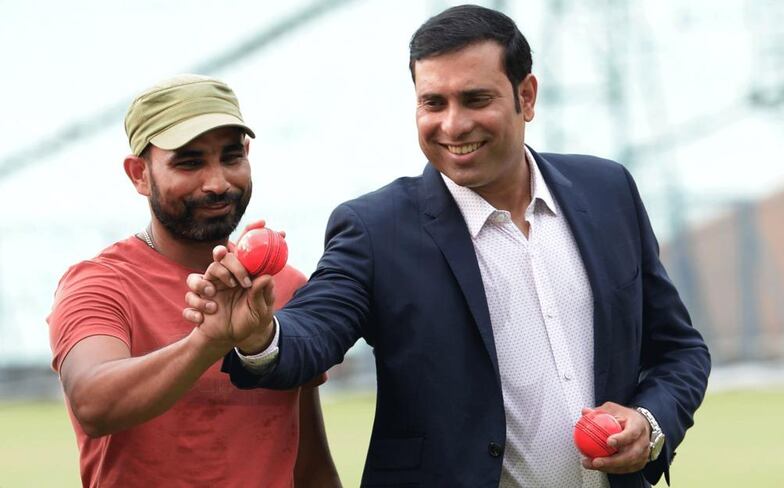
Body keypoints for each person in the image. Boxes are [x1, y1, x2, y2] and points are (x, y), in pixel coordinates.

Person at [184, 5, 711, 488]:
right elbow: (314, 331)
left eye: (476, 99)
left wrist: (649, 424)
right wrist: (259, 337)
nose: (453, 124)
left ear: (526, 96)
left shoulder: (608, 190)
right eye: (433, 103)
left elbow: (679, 350)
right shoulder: (375, 228)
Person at [47, 74, 341, 487]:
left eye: (231, 157)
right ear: (139, 175)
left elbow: (309, 461)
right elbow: (93, 405)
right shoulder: (98, 284)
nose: (217, 182)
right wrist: (208, 342)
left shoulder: (282, 285)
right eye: (189, 162)